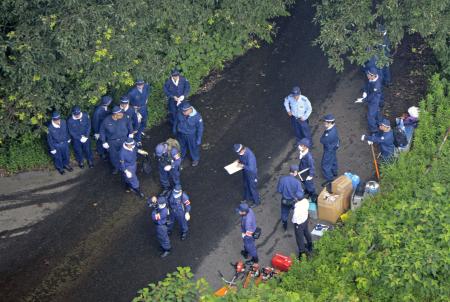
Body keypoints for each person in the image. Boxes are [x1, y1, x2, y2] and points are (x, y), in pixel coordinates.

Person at [99, 106, 133, 174]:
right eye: (120, 114)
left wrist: (131, 133)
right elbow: (102, 131)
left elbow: (129, 124)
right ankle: (116, 167)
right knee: (113, 156)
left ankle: (126, 166)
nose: (122, 115)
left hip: (124, 139)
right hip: (112, 142)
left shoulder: (125, 117)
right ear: (115, 115)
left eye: (122, 113)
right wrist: (103, 141)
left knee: (125, 153)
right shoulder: (106, 121)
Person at [173, 102, 204, 167]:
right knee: (181, 146)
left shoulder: (197, 117)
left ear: (190, 109)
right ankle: (181, 157)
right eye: (182, 111)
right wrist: (174, 129)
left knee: (193, 147)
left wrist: (199, 138)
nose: (183, 113)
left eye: (185, 111)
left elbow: (200, 128)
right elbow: (176, 120)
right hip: (181, 133)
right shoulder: (180, 112)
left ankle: (195, 159)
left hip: (191, 135)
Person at [277, 164, 304, 231]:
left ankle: (285, 227)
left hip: (285, 201)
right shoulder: (297, 183)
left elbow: (279, 190)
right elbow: (300, 195)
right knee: (297, 212)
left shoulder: (282, 179)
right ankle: (298, 226)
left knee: (284, 213)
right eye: (297, 172)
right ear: (295, 172)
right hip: (294, 201)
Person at [355, 67, 383, 133]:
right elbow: (367, 85)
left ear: (373, 76)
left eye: (368, 75)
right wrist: (365, 91)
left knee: (370, 116)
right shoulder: (371, 78)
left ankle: (374, 130)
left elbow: (372, 96)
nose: (367, 76)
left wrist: (363, 100)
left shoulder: (376, 85)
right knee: (377, 111)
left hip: (374, 101)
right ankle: (380, 122)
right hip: (371, 98)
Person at [319, 114, 340, 185]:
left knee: (325, 164)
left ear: (329, 123)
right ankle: (334, 172)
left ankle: (330, 178)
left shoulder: (329, 134)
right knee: (333, 159)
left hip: (328, 149)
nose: (324, 123)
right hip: (333, 147)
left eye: (325, 122)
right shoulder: (334, 129)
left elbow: (322, 140)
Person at [92, 96, 112, 160]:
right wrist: (96, 132)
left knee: (105, 140)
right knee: (100, 141)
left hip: (106, 128)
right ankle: (101, 153)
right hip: (100, 129)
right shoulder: (98, 111)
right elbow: (95, 122)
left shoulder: (106, 108)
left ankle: (106, 152)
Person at [297, 138, 317, 202]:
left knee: (309, 184)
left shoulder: (309, 157)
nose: (299, 146)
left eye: (300, 145)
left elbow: (312, 167)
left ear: (305, 147)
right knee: (304, 182)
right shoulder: (303, 153)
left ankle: (313, 194)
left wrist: (310, 175)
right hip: (302, 172)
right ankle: (307, 190)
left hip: (307, 174)